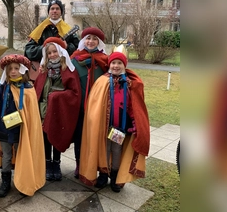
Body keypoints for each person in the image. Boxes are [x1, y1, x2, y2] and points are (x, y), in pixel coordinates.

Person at [78, 51, 150, 192]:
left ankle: (115, 176)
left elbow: (133, 105)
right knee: (104, 149)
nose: (116, 66)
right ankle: (103, 174)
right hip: (103, 126)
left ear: (124, 65)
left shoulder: (130, 83)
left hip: (120, 127)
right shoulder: (102, 81)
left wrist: (135, 123)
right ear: (109, 64)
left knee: (117, 151)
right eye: (113, 63)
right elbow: (94, 104)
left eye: (119, 63)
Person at [0, 54, 45, 197]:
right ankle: (5, 182)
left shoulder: (29, 89)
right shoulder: (3, 87)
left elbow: (32, 114)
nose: (13, 71)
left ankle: (23, 180)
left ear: (23, 70)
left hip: (21, 130)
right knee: (7, 156)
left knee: (22, 154)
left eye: (16, 68)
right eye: (10, 69)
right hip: (5, 128)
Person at [34, 37, 81, 181]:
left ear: (61, 52)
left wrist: (58, 97)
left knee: (57, 136)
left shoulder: (68, 69)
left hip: (60, 111)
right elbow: (38, 89)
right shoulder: (43, 70)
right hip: (44, 110)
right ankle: (48, 164)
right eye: (49, 53)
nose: (52, 55)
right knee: (46, 138)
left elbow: (75, 93)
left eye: (55, 52)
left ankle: (57, 163)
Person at [70, 27, 109, 179]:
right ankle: (80, 164)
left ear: (99, 42)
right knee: (79, 137)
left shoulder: (105, 61)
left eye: (94, 39)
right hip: (79, 106)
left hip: (98, 107)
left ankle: (98, 167)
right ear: (83, 40)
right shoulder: (74, 58)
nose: (91, 41)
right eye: (88, 38)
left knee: (97, 137)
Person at [24, 0, 79, 81]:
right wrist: (45, 49)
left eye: (57, 9)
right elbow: (28, 51)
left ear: (61, 12)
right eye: (52, 8)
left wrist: (67, 47)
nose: (54, 11)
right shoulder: (41, 29)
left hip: (62, 71)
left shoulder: (68, 29)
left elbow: (78, 48)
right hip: (43, 70)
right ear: (49, 11)